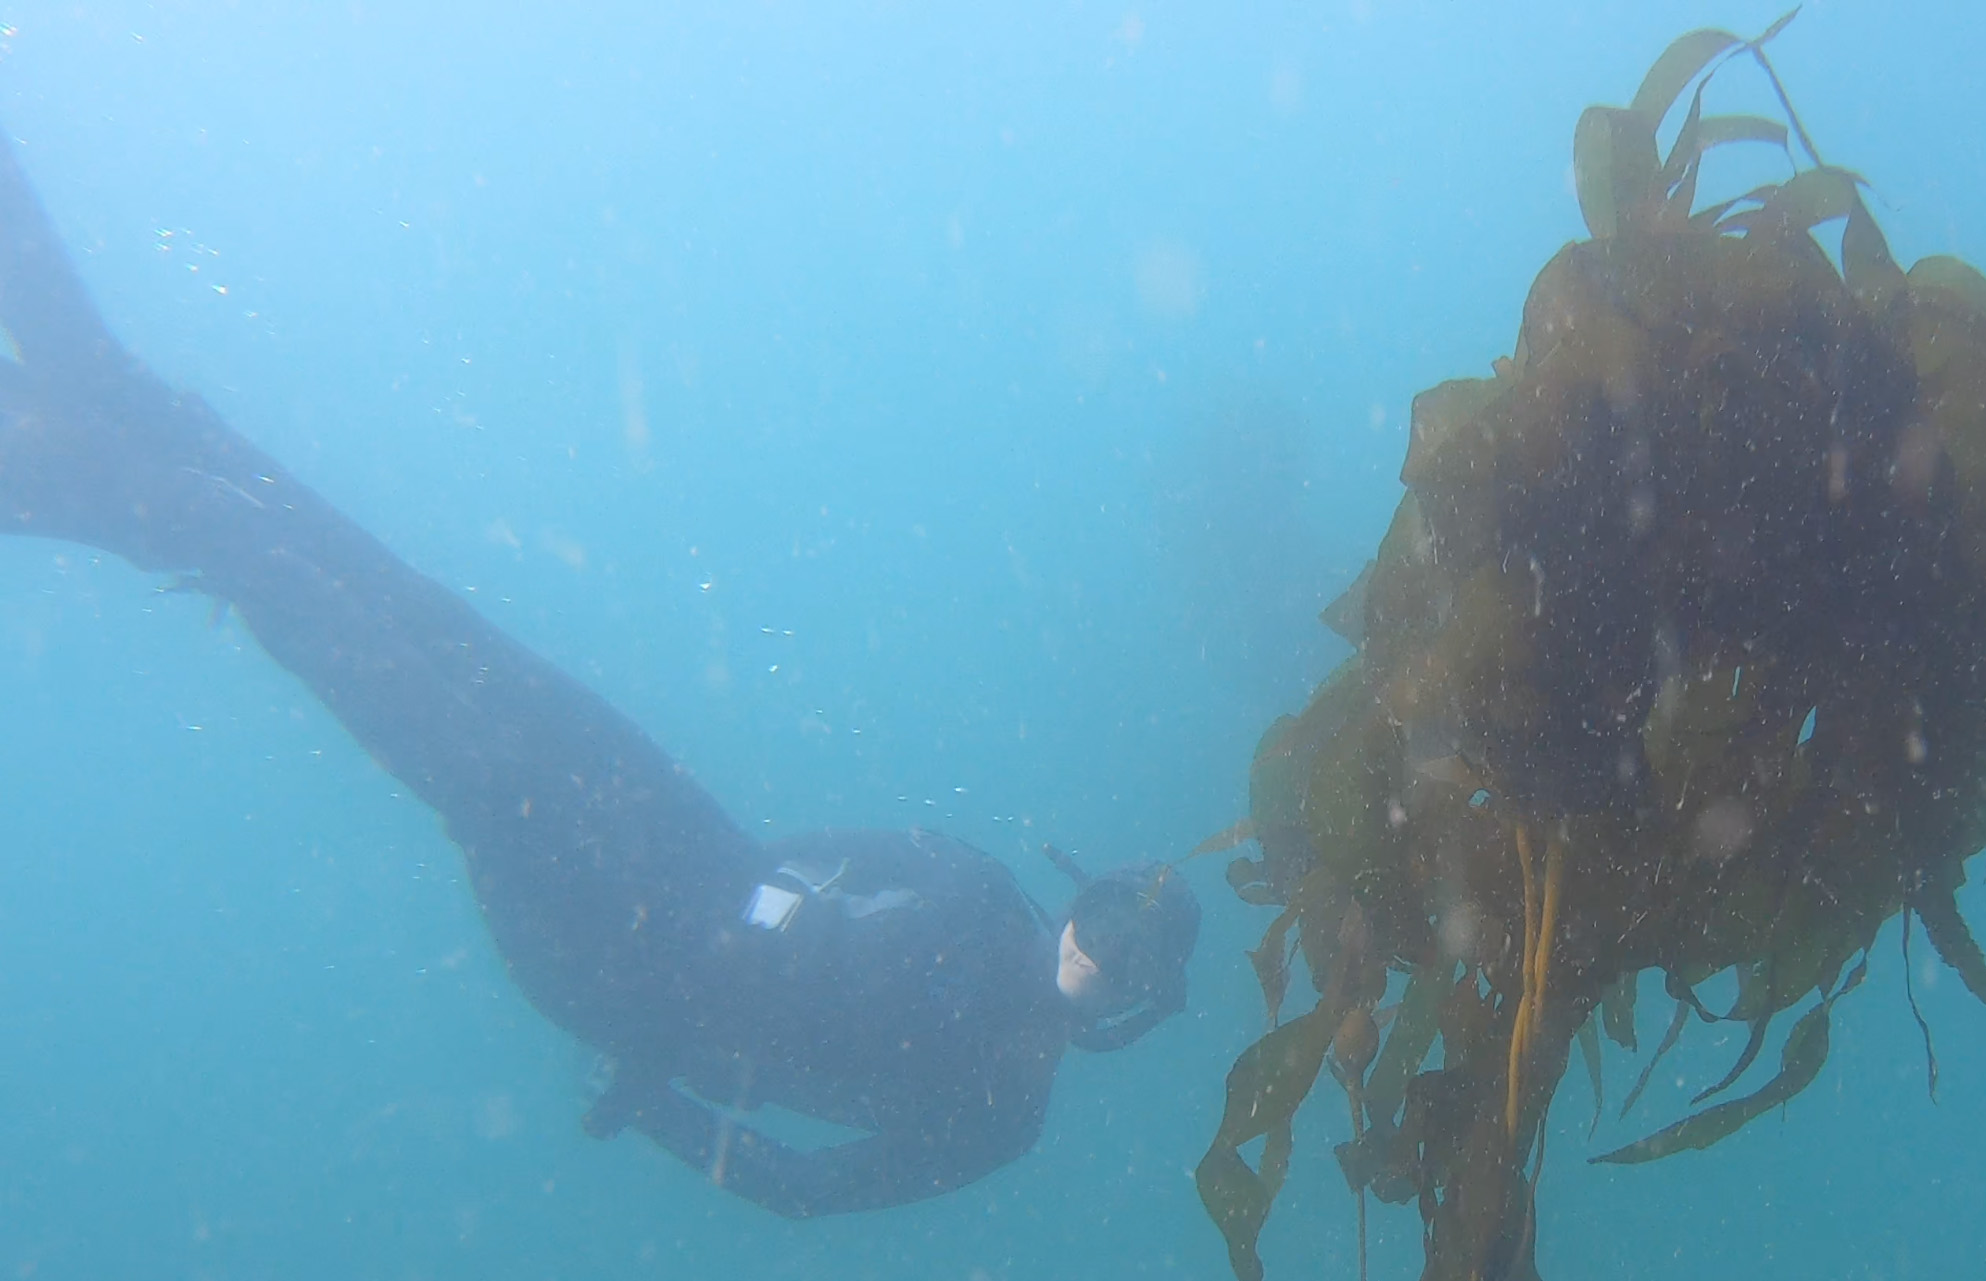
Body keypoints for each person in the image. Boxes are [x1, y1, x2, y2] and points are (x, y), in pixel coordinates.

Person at [0, 134, 1199, 1218]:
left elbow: (810, 1189)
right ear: (1085, 885)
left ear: (1137, 1014)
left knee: (437, 721)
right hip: (689, 853)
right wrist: (661, 843)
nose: (1098, 950)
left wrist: (657, 1098)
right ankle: (127, 403)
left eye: (1129, 965)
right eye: (1111, 913)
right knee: (441, 625)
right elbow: (805, 844)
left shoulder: (1001, 1113)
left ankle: (109, 490)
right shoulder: (978, 885)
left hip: (631, 981)